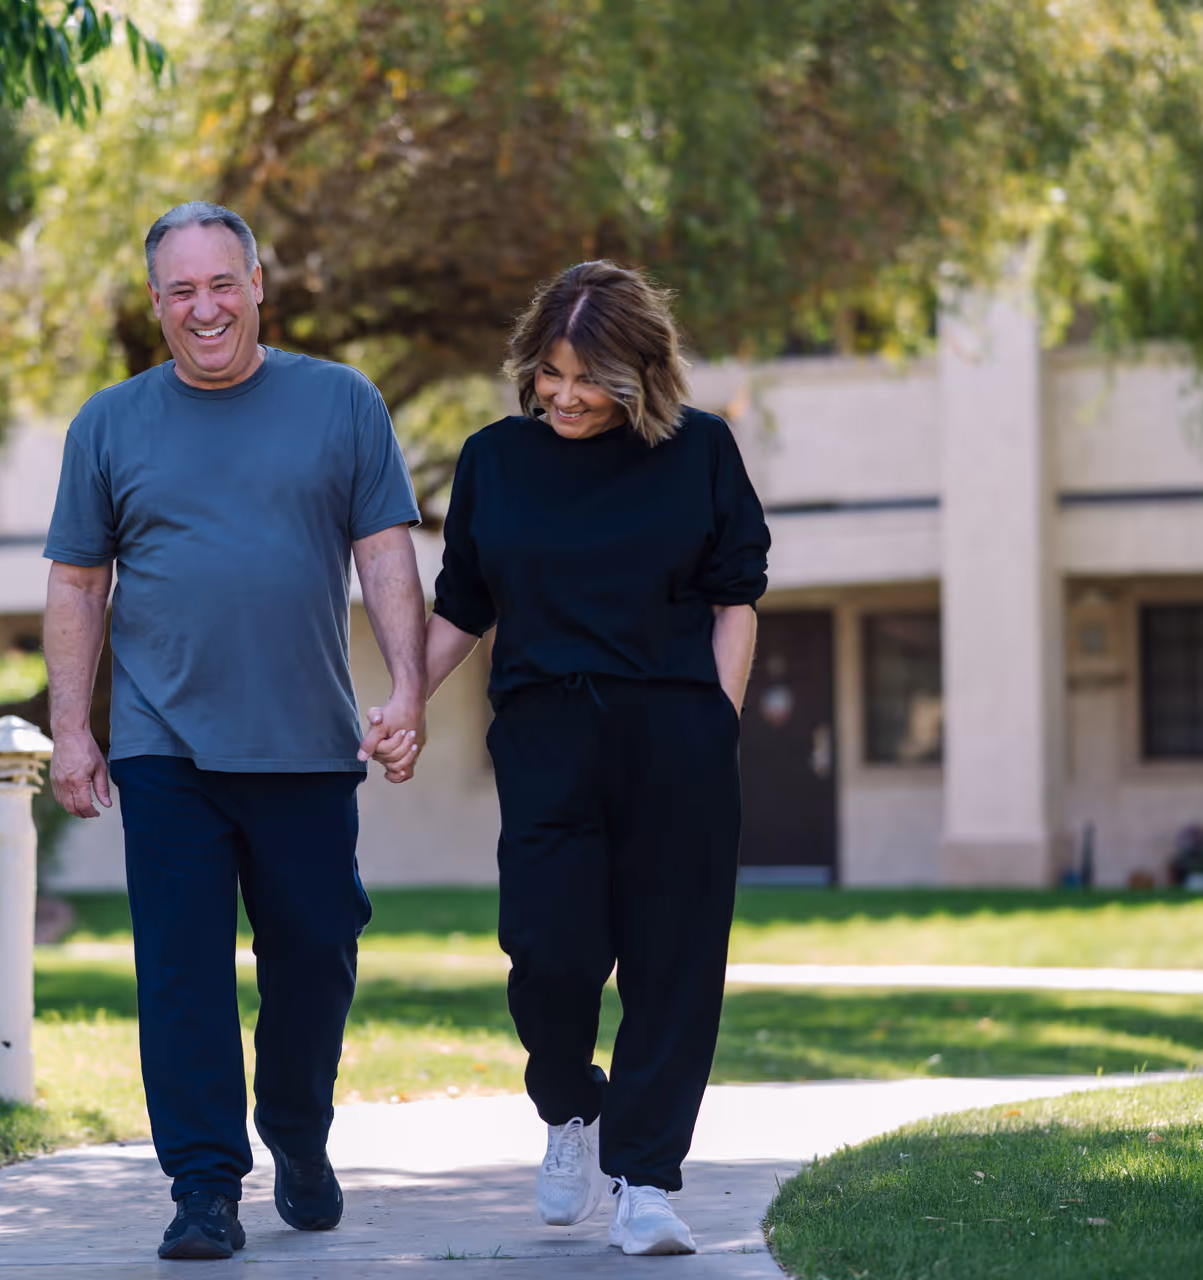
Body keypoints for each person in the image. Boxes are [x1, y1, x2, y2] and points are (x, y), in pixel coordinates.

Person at [41, 201, 427, 1261]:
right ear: (156, 302)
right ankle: (204, 1182)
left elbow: (386, 553)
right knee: (182, 969)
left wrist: (408, 691)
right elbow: (78, 583)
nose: (203, 308)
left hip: (306, 740)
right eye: (180, 290)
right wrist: (74, 729)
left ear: (258, 284)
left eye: (221, 284)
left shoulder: (341, 401)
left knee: (316, 951)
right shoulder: (108, 425)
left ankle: (298, 1131)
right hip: (165, 745)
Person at [400, 259, 769, 1255]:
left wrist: (717, 723)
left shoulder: (700, 452)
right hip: (547, 733)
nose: (563, 393)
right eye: (548, 372)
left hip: (676, 733)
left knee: (673, 965)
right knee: (549, 953)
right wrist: (405, 702)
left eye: (588, 376)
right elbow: (465, 605)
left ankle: (646, 1179)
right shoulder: (496, 460)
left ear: (640, 373)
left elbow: (737, 597)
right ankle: (571, 1106)